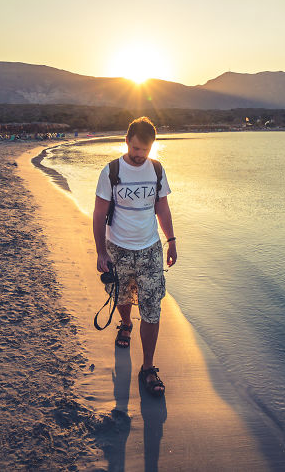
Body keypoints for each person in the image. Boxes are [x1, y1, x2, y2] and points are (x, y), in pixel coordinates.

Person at [93, 116, 177, 396]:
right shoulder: (111, 171)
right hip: (118, 249)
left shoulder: (156, 169)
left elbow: (162, 208)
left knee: (153, 308)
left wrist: (171, 241)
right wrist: (101, 251)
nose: (140, 155)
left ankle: (148, 368)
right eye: (136, 148)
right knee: (122, 297)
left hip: (151, 250)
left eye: (146, 150)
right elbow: (99, 213)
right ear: (127, 141)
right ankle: (126, 323)